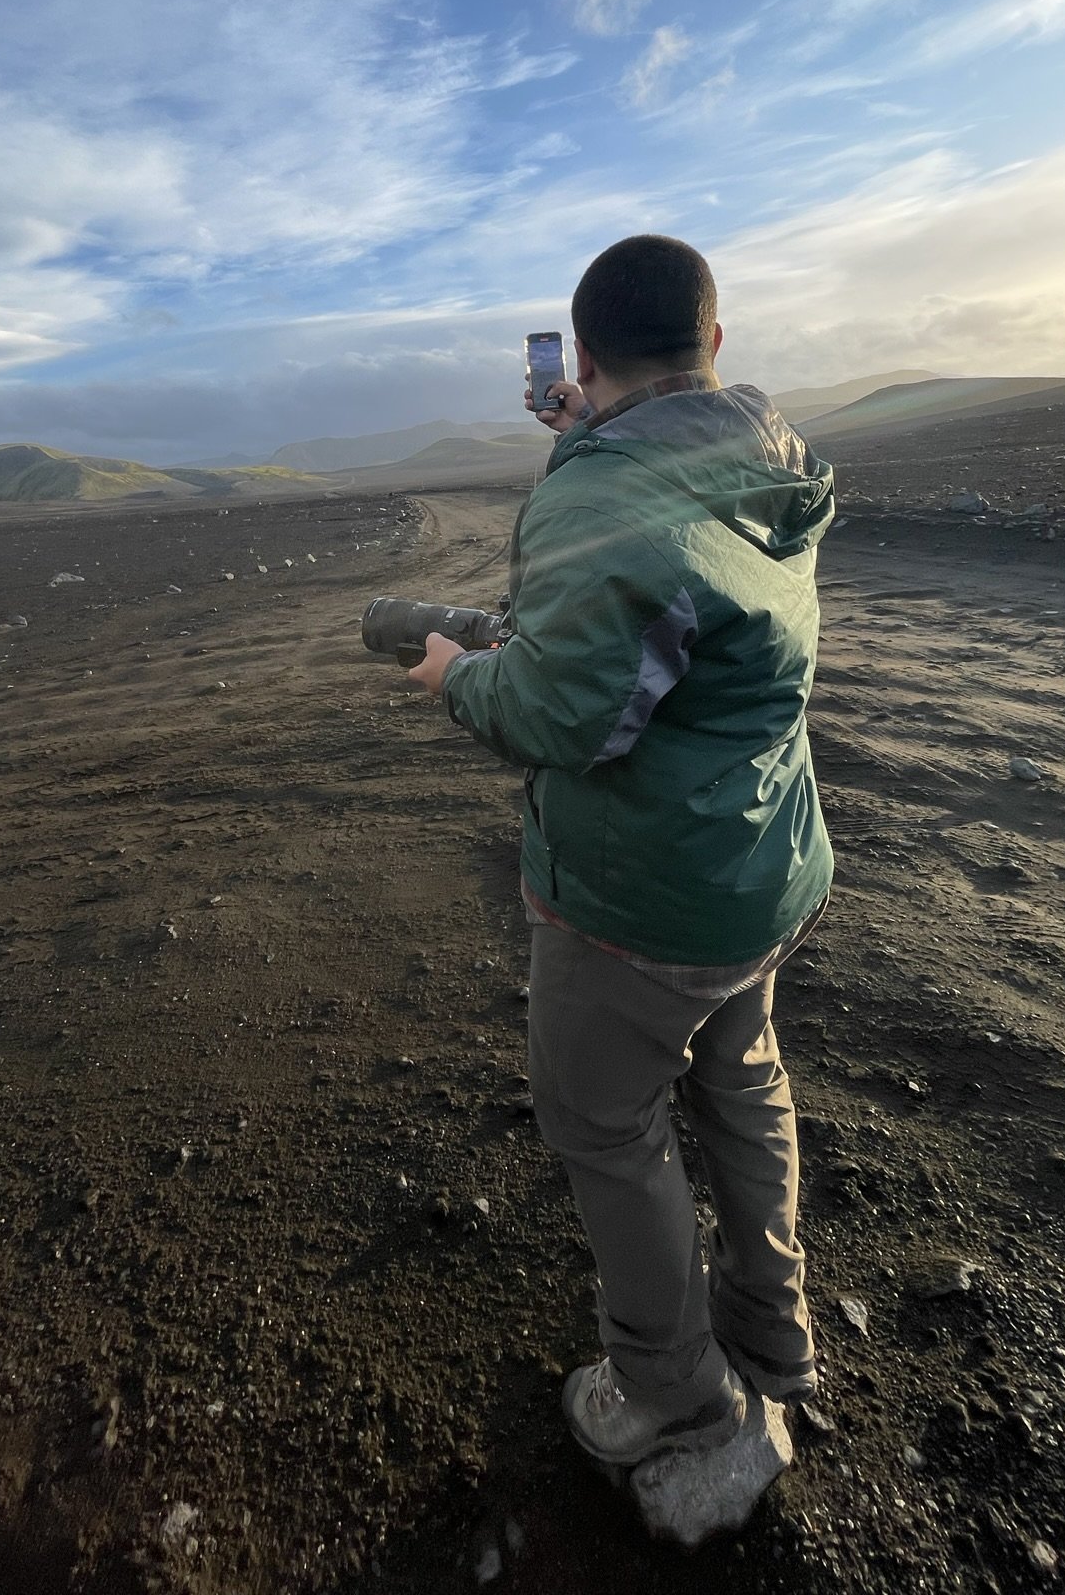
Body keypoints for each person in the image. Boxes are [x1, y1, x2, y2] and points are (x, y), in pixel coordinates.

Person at [407, 234, 834, 1473]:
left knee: (603, 1121)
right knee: (742, 1071)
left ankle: (674, 1389)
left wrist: (454, 676)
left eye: (579, 379)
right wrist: (588, 428)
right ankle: (774, 1327)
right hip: (764, 864)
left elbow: (560, 714)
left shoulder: (601, 493)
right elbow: (662, 570)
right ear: (714, 342)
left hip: (641, 897)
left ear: (582, 353)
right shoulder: (763, 455)